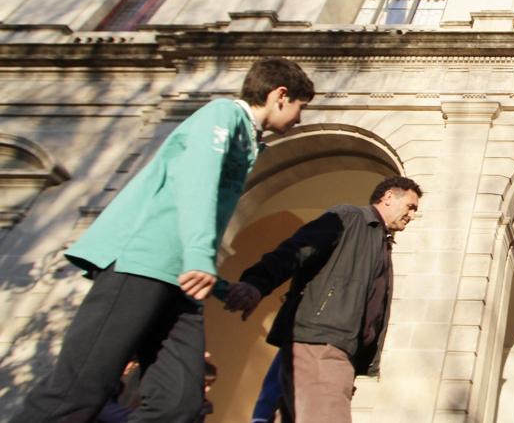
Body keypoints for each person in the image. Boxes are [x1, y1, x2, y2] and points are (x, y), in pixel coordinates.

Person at [19, 57, 315, 423]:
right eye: (301, 108)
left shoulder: (250, 140)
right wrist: (198, 256)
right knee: (78, 390)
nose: (300, 119)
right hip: (139, 265)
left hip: (178, 284)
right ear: (280, 95)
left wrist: (222, 288)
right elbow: (197, 181)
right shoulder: (222, 115)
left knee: (179, 405)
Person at [224, 176, 422, 423]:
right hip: (322, 342)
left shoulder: (381, 243)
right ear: (389, 197)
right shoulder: (350, 218)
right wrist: (256, 283)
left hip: (338, 350)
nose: (412, 216)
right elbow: (298, 249)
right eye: (411, 207)